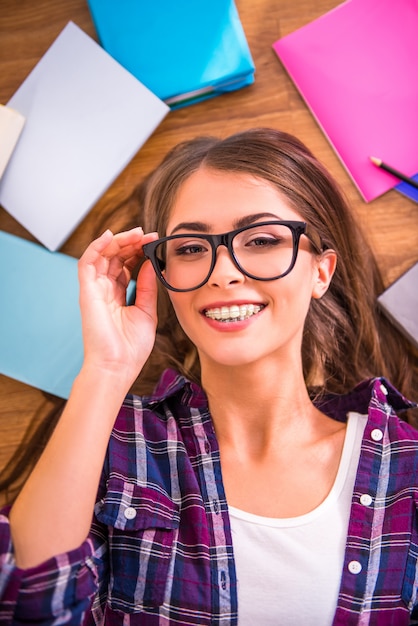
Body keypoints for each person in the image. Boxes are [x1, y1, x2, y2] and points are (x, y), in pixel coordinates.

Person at [0, 128, 417, 625]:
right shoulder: (116, 440)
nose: (222, 272)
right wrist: (105, 370)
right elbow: (28, 605)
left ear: (320, 273)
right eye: (193, 248)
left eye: (262, 240)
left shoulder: (405, 463)